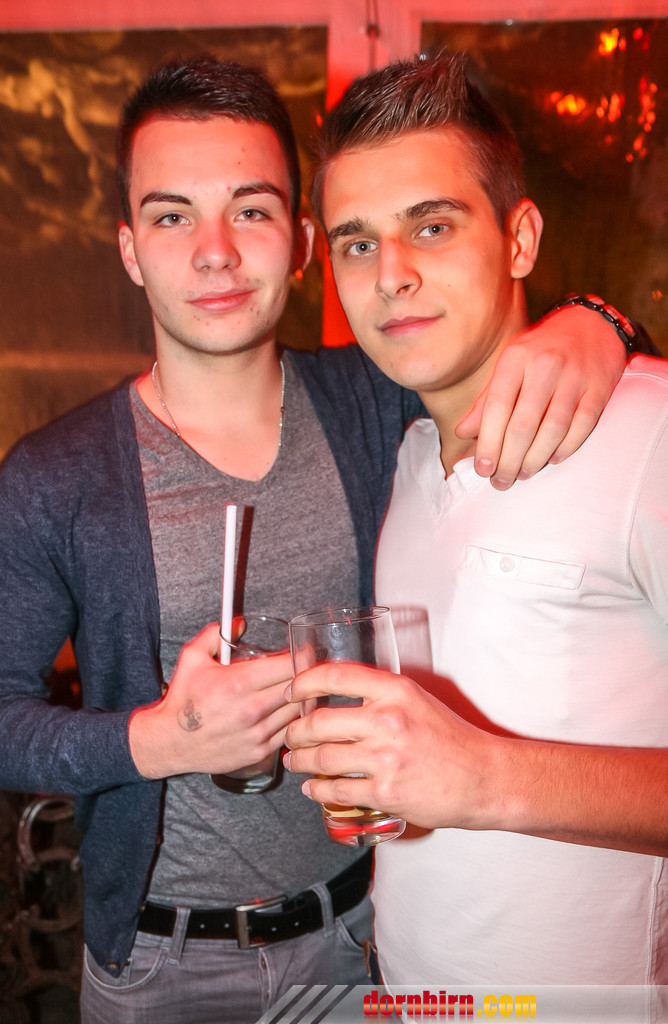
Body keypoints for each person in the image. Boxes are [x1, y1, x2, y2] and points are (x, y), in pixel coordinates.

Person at [0, 55, 644, 1024]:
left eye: (249, 210)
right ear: (129, 249)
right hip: (163, 968)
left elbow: (488, 333)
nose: (214, 252)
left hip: (360, 942)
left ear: (299, 243)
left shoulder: (374, 400)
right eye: (172, 216)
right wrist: (157, 738)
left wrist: (596, 322)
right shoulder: (56, 477)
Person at [284, 51, 668, 1007]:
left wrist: (481, 777)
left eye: (432, 226)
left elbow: (471, 777)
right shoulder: (407, 459)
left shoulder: (650, 432)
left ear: (520, 238)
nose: (392, 274)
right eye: (358, 243)